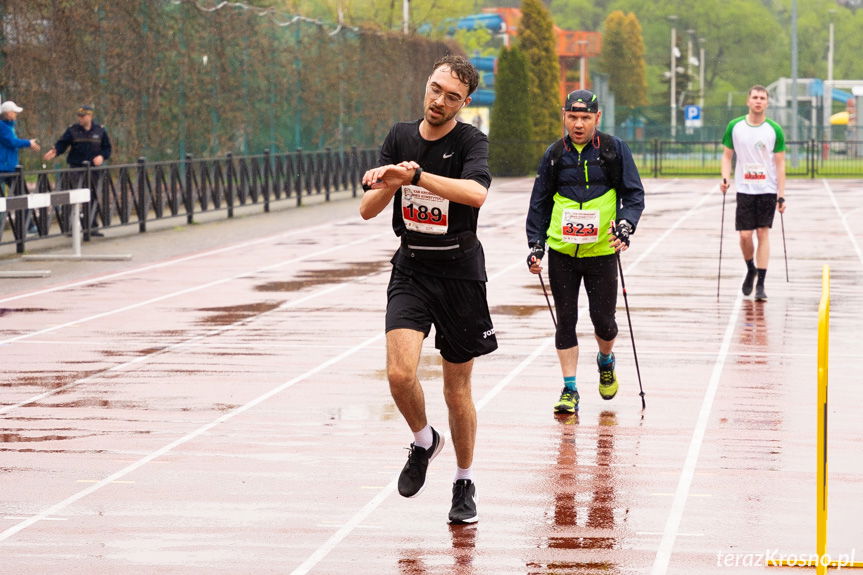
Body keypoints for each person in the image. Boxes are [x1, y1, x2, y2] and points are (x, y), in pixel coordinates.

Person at [360, 54, 496, 525]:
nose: (439, 101)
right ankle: (423, 441)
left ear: (465, 101)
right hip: (412, 268)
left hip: (459, 273)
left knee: (457, 391)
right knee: (399, 375)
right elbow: (366, 209)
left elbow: (477, 194)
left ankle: (464, 480)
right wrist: (389, 180)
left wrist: (417, 176)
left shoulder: (471, 141)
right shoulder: (399, 135)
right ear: (427, 84)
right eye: (435, 89)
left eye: (451, 96)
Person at [525, 89, 645, 415]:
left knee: (603, 322)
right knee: (566, 321)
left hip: (602, 252)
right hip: (563, 253)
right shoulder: (553, 155)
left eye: (585, 118)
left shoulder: (613, 150)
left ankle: (605, 359)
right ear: (564, 115)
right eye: (573, 117)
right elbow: (538, 204)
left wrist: (626, 226)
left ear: (597, 118)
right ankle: (569, 389)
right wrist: (535, 245)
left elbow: (633, 195)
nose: (578, 124)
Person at [720, 85, 786, 302]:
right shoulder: (735, 126)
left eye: (762, 98)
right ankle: (750, 268)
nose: (758, 101)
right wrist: (725, 177)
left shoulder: (774, 129)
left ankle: (761, 284)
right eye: (755, 97)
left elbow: (780, 163)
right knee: (745, 235)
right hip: (745, 189)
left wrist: (781, 194)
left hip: (767, 189)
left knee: (763, 233)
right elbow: (727, 156)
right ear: (748, 101)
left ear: (767, 103)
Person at [43, 104, 112, 236]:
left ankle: (91, 227)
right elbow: (62, 143)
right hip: (76, 168)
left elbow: (107, 148)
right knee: (74, 197)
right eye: (78, 116)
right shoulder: (73, 130)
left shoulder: (100, 130)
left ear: (90, 116)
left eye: (83, 116)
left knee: (92, 197)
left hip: (93, 170)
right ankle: (70, 228)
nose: (80, 118)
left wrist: (102, 156)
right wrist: (55, 151)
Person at [0, 100, 40, 196]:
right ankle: (24, 211)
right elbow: (12, 142)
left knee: (22, 194)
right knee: (22, 195)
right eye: (14, 112)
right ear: (8, 113)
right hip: (5, 167)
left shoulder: (8, 127)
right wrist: (28, 143)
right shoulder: (3, 127)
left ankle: (23, 211)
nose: (16, 115)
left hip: (9, 166)